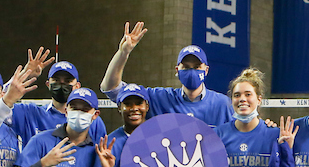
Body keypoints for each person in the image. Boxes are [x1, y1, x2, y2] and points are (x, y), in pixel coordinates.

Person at [100, 22, 233, 127]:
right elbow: (111, 88)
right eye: (186, 67)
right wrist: (123, 53)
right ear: (177, 70)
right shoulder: (160, 99)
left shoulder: (223, 105)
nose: (192, 71)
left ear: (206, 70)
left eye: (197, 67)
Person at [216, 67, 295, 167]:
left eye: (248, 94)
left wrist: (288, 151)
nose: (242, 99)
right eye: (237, 95)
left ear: (259, 99)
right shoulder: (218, 134)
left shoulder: (274, 135)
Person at [10, 55, 107, 146]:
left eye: (68, 81)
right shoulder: (30, 113)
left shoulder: (91, 119)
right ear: (48, 84)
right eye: (56, 80)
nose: (61, 84)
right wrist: (25, 75)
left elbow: (100, 154)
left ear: (77, 86)